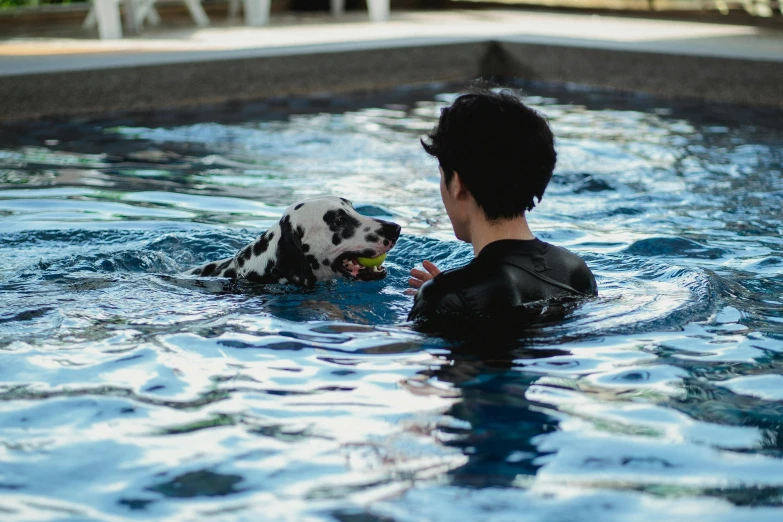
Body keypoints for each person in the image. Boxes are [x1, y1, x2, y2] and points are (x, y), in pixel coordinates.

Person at [407, 87, 597, 335]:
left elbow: (414, 366)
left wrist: (444, 295)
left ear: (458, 184)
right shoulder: (575, 271)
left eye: (443, 177)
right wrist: (452, 288)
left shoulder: (446, 296)